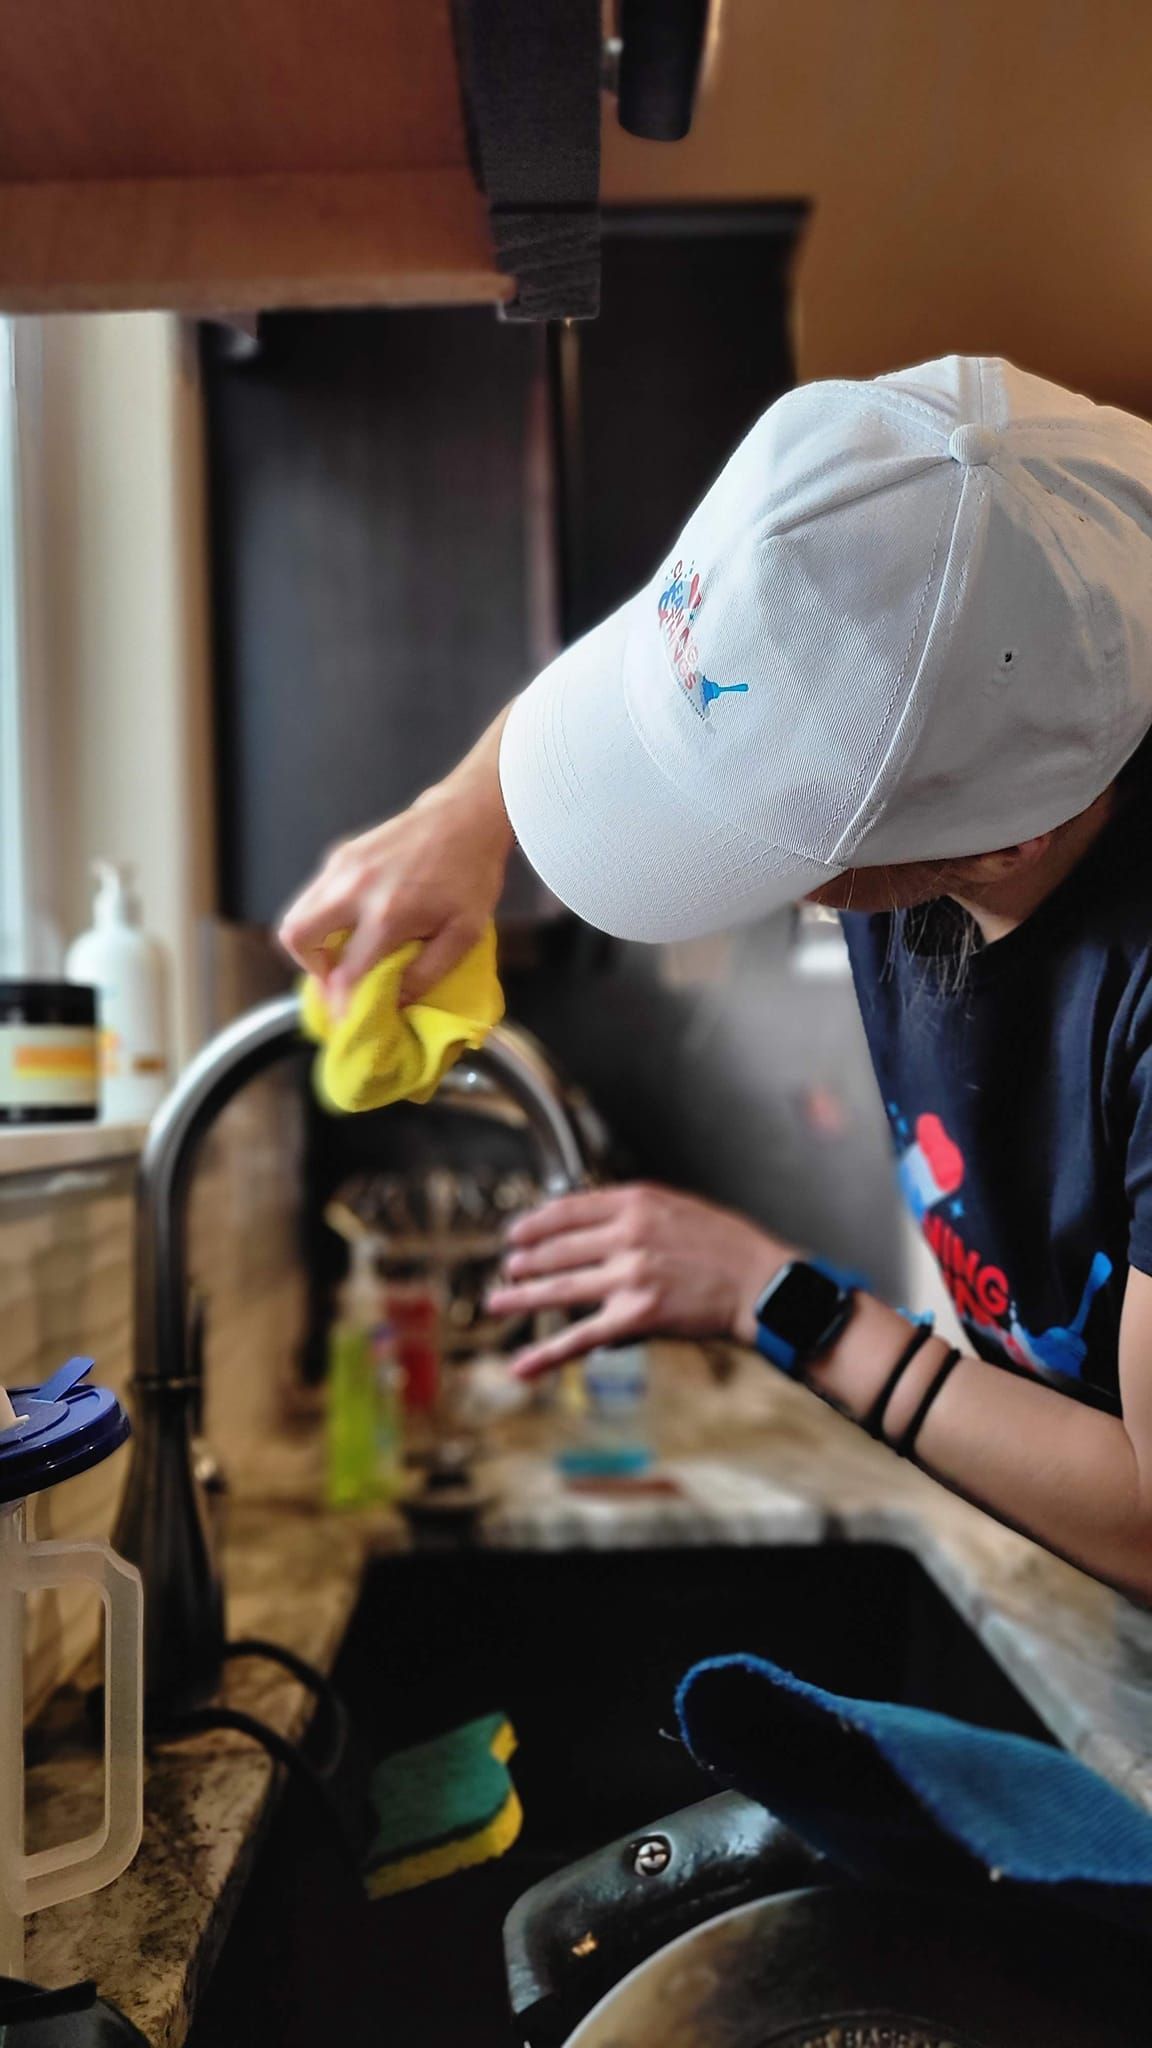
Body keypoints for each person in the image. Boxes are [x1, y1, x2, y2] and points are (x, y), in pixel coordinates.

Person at [281, 356, 1152, 1601]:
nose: (789, 888)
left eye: (798, 842)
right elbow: (702, 654)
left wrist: (771, 1295)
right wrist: (467, 811)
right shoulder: (924, 587)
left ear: (1005, 837)